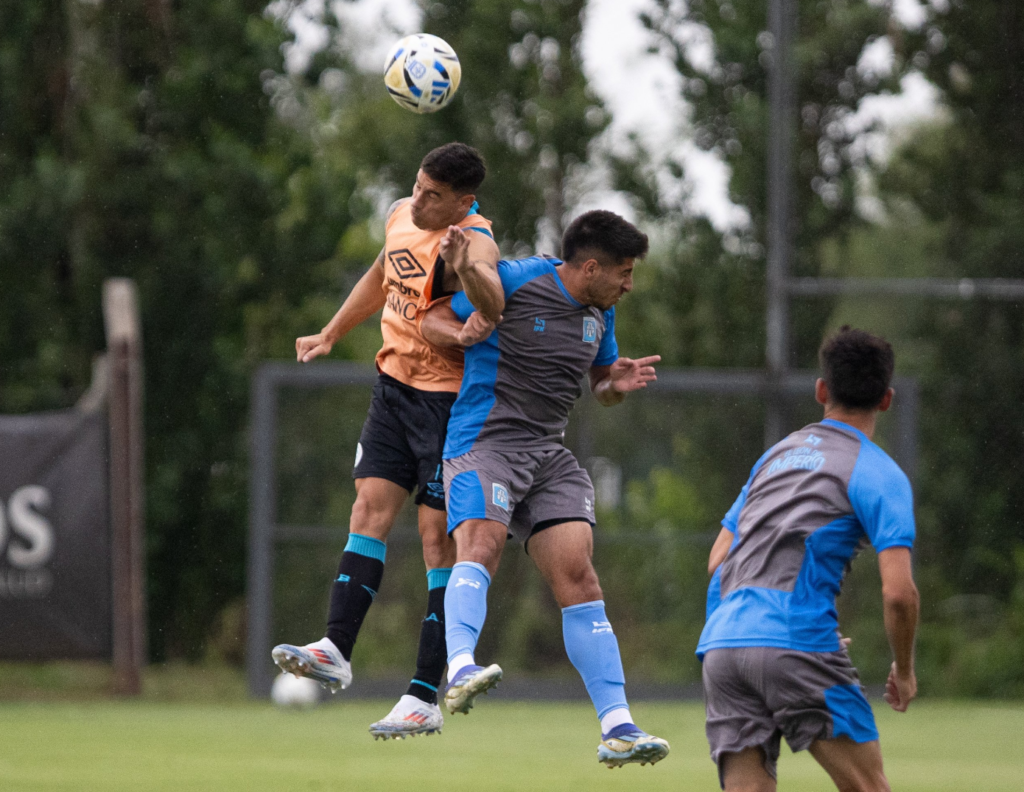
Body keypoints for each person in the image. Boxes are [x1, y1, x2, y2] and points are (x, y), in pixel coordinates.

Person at [419, 210, 671, 768]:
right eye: (623, 273)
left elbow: (601, 385)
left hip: (547, 456)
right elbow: (431, 318)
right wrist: (463, 334)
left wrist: (615, 384)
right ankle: (460, 668)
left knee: (579, 574)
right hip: (484, 444)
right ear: (589, 267)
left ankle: (618, 728)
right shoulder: (515, 280)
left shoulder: (600, 313)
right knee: (481, 544)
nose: (629, 284)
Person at [272, 143, 504, 739]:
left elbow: (492, 304)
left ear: (463, 202)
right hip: (392, 388)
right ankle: (335, 649)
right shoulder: (402, 213)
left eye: (434, 196)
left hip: (448, 405)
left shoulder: (475, 240)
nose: (419, 200)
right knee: (367, 509)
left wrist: (471, 268)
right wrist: (330, 332)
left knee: (435, 541)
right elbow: (381, 272)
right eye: (418, 187)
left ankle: (424, 696)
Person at [699, 326, 920, 792]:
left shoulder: (775, 458)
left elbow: (719, 559)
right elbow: (899, 594)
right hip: (795, 639)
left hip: (722, 645)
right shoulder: (879, 472)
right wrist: (903, 669)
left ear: (822, 390)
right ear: (886, 399)